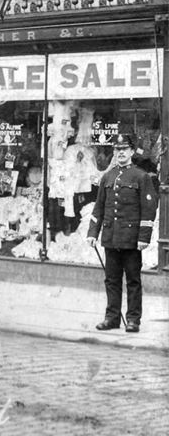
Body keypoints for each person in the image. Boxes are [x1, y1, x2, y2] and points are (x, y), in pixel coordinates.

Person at [87, 133, 157, 333]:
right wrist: (93, 233)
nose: (120, 153)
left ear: (132, 152)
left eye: (124, 149)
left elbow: (148, 208)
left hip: (132, 239)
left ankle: (133, 319)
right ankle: (112, 318)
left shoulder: (141, 177)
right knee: (111, 280)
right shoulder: (108, 177)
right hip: (111, 237)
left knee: (133, 280)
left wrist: (144, 237)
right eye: (117, 150)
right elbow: (99, 207)